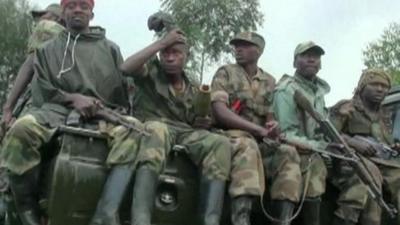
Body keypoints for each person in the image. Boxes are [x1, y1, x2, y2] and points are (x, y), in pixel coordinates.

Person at [0, 1, 165, 225]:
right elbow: (45, 89)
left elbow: (121, 92)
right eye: (71, 6)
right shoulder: (47, 49)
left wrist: (105, 108)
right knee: (21, 130)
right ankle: (27, 213)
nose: (77, 10)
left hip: (102, 112)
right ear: (64, 12)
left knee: (135, 130)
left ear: (91, 13)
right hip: (55, 110)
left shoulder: (110, 48)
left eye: (83, 6)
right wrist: (73, 98)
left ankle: (106, 212)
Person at [119, 28, 232, 225]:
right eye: (166, 54)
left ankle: (209, 220)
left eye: (176, 53)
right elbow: (126, 68)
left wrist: (203, 122)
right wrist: (161, 43)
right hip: (154, 126)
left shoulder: (194, 86)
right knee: (156, 130)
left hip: (184, 132)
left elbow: (196, 120)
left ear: (186, 56)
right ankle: (141, 218)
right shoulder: (150, 72)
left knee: (220, 143)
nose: (170, 58)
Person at [211, 31, 277, 225]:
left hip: (260, 140)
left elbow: (270, 118)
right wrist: (256, 130)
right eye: (236, 45)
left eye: (245, 45)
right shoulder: (226, 72)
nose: (238, 49)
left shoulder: (270, 81)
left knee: (288, 154)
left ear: (258, 51)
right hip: (228, 136)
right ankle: (241, 219)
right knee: (247, 146)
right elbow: (220, 113)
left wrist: (273, 128)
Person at [329, 68, 400, 225]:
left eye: (384, 86)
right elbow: (328, 134)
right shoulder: (347, 107)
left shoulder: (384, 115)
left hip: (381, 162)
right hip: (349, 159)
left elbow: (384, 144)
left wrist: (393, 147)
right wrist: (353, 142)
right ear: (362, 86)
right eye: (374, 84)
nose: (380, 89)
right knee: (369, 177)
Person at [272, 41, 331, 225]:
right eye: (305, 55)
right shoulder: (286, 89)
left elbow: (320, 130)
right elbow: (285, 133)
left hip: (312, 150)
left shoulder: (319, 92)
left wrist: (329, 146)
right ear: (295, 62)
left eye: (316, 56)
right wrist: (321, 147)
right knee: (307, 165)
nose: (312, 59)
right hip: (283, 149)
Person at [1, 3, 65, 129]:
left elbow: (30, 65)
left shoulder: (48, 27)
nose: (40, 19)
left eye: (44, 15)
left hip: (43, 107)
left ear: (58, 19)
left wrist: (8, 108)